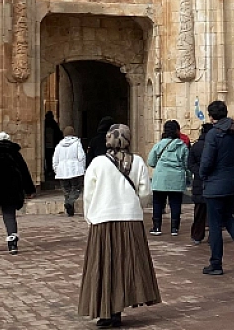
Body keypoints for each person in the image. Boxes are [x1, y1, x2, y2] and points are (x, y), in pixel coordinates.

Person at [78, 124, 161, 327]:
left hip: (103, 219)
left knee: (104, 264)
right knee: (126, 264)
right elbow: (145, 193)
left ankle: (106, 312)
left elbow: (88, 194)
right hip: (130, 219)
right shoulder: (137, 161)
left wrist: (90, 217)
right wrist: (134, 206)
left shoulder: (98, 163)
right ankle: (118, 310)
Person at [199, 100, 234, 275]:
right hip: (233, 181)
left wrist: (203, 174)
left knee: (215, 224)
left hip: (216, 182)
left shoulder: (214, 134)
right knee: (228, 216)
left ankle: (216, 263)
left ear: (211, 116)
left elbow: (207, 160)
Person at [147, 120, 190, 237]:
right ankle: (174, 228)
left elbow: (151, 161)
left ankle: (157, 227)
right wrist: (188, 177)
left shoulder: (159, 145)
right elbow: (187, 164)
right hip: (177, 178)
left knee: (158, 203)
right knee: (175, 204)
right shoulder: (182, 146)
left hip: (160, 178)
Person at [187, 119, 215, 244]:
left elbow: (190, 163)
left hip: (199, 181)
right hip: (212, 180)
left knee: (199, 211)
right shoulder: (214, 145)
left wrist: (198, 172)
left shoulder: (196, 146)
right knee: (213, 211)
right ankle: (213, 236)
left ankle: (197, 235)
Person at [53, 125, 87, 217]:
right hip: (75, 170)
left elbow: (55, 160)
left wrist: (57, 170)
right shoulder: (77, 143)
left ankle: (70, 209)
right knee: (76, 188)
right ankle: (70, 203)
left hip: (62, 171)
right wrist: (82, 168)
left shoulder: (59, 145)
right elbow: (81, 157)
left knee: (66, 191)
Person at [43, 111, 63, 179]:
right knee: (50, 158)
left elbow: (58, 134)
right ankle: (51, 170)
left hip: (50, 145)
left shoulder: (48, 124)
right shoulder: (53, 124)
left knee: (49, 158)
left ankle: (50, 170)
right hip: (51, 145)